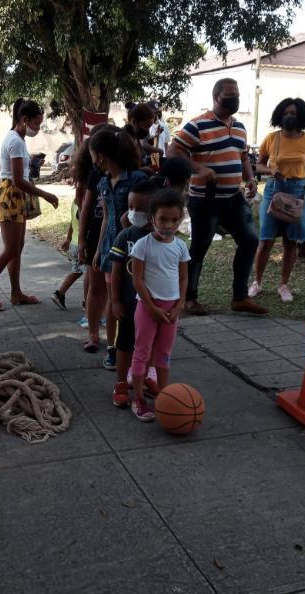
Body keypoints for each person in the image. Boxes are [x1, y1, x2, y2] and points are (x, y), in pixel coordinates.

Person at [168, 77, 265, 316]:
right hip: (205, 199)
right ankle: (189, 298)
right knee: (200, 248)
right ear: (216, 97)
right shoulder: (197, 125)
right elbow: (173, 151)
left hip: (233, 196)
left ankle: (240, 297)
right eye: (229, 95)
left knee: (250, 240)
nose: (234, 98)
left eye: (236, 94)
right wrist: (199, 169)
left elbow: (243, 157)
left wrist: (250, 179)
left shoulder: (240, 127)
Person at [0, 98, 59, 311]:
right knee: (10, 249)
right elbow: (18, 180)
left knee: (17, 248)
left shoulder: (18, 139)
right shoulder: (15, 141)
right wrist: (46, 194)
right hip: (11, 195)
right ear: (24, 119)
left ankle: (16, 293)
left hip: (16, 196)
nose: (38, 128)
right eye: (36, 123)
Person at [130, 189, 190, 421]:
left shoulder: (180, 247)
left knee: (164, 354)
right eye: (163, 219)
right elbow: (136, 279)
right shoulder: (143, 245)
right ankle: (139, 398)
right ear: (152, 218)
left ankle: (165, 396)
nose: (168, 225)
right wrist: (151, 307)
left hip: (171, 309)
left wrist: (179, 305)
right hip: (147, 308)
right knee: (142, 353)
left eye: (174, 220)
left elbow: (184, 278)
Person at [90, 127, 147, 368]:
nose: (92, 160)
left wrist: (131, 221)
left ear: (101, 156)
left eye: (93, 155)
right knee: (113, 301)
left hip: (134, 251)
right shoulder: (103, 183)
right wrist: (98, 249)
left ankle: (136, 344)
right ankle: (113, 347)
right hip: (110, 253)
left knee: (132, 300)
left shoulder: (136, 179)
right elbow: (106, 218)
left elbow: (147, 213)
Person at [250, 98, 305, 303]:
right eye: (286, 113)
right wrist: (271, 170)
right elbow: (258, 165)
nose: (289, 116)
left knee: (291, 242)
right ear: (280, 115)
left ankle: (284, 285)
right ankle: (257, 282)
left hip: (298, 192)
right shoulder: (272, 138)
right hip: (274, 190)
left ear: (302, 117)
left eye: (294, 114)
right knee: (266, 240)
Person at [109, 179, 160, 407]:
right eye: (131, 207)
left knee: (149, 345)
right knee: (125, 344)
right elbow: (116, 273)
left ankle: (146, 377)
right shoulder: (126, 237)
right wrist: (116, 301)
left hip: (154, 306)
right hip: (130, 306)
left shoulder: (164, 238)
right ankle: (121, 382)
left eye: (140, 208)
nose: (134, 212)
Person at [76, 123, 116, 333]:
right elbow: (85, 207)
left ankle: (111, 335)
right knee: (96, 285)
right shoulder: (95, 174)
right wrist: (81, 239)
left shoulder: (128, 177)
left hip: (115, 238)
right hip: (95, 236)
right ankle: (92, 330)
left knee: (113, 291)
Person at [51, 192, 85, 310]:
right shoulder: (84, 205)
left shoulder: (74, 203)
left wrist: (68, 239)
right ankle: (87, 303)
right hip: (82, 246)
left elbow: (72, 223)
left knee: (76, 271)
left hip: (74, 244)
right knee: (90, 277)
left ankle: (59, 293)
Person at [127, 102, 161, 167]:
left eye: (149, 127)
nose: (147, 130)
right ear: (134, 122)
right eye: (145, 126)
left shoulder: (136, 138)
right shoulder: (125, 140)